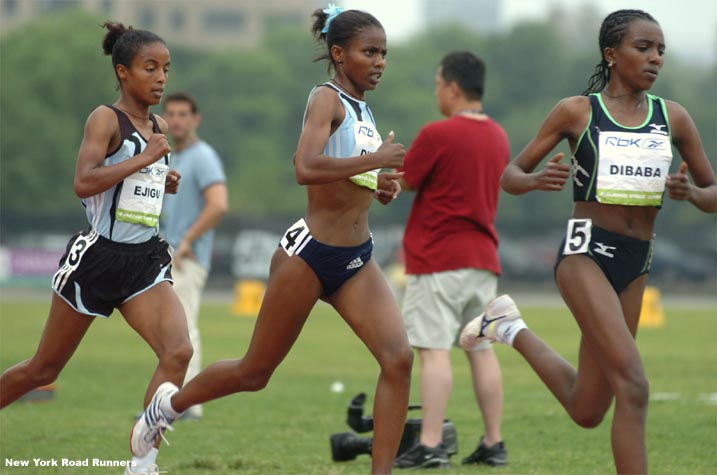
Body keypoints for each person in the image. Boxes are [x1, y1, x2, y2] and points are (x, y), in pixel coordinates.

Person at [129, 5, 413, 474]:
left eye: (384, 52)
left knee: (398, 359)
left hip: (356, 260)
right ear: (339, 54)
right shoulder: (326, 99)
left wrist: (380, 183)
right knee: (254, 373)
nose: (380, 61)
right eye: (370, 52)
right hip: (308, 256)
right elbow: (305, 168)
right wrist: (372, 161)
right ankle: (168, 406)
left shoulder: (365, 109)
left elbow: (348, 178)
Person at [459, 9, 716, 475]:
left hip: (637, 261)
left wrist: (692, 193)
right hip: (586, 254)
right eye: (644, 47)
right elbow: (510, 175)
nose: (655, 57)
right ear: (611, 54)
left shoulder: (673, 118)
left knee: (587, 409)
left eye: (661, 50)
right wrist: (537, 181)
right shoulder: (577, 111)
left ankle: (508, 327)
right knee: (634, 386)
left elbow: (712, 192)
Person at [0, 21, 191, 475]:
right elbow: (83, 182)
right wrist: (144, 160)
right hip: (96, 260)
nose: (162, 77)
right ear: (123, 72)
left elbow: (132, 189)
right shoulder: (105, 119)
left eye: (166, 68)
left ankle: (143, 462)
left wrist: (162, 180)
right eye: (150, 68)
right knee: (43, 371)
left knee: (178, 352)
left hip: (144, 261)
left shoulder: (159, 124)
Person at [393, 51, 509, 469]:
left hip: (438, 257)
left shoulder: (438, 133)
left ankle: (428, 444)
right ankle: (494, 442)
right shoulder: (498, 135)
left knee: (434, 351)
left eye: (439, 84)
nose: (436, 91)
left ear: (454, 88)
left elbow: (405, 180)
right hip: (482, 259)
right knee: (480, 349)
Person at [160, 92, 228, 420]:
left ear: (195, 119)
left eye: (183, 114)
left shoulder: (202, 157)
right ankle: (171, 400)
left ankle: (188, 406)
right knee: (171, 330)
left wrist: (187, 240)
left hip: (186, 255)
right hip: (169, 252)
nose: (176, 120)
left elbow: (219, 204)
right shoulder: (172, 156)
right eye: (170, 113)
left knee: (184, 328)